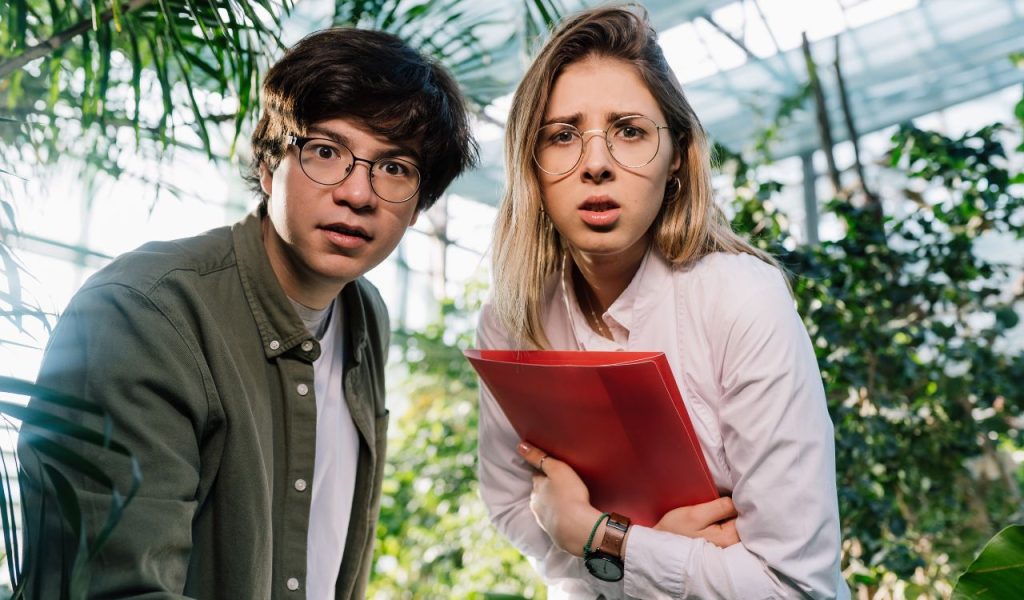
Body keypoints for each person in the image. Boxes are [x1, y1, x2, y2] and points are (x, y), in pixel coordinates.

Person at [19, 27, 475, 599]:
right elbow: (116, 588)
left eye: (394, 168)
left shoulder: (365, 315)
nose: (359, 193)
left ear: (417, 208)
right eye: (326, 152)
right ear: (267, 164)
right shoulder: (145, 313)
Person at [476, 5, 848, 599]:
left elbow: (795, 588)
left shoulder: (740, 299)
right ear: (530, 164)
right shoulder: (510, 317)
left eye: (629, 130)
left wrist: (603, 537)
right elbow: (510, 506)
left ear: (677, 155)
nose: (596, 164)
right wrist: (633, 552)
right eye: (563, 135)